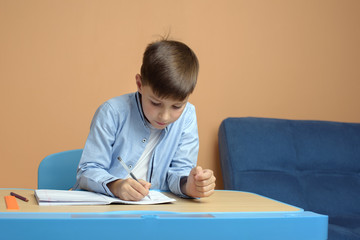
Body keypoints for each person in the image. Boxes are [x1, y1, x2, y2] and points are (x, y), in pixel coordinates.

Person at [74, 38, 216, 201]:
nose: (164, 116)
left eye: (176, 107)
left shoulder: (188, 116)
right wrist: (116, 185)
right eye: (155, 103)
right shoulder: (112, 113)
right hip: (107, 212)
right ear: (139, 84)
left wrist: (188, 185)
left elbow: (180, 171)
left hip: (157, 215)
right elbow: (88, 170)